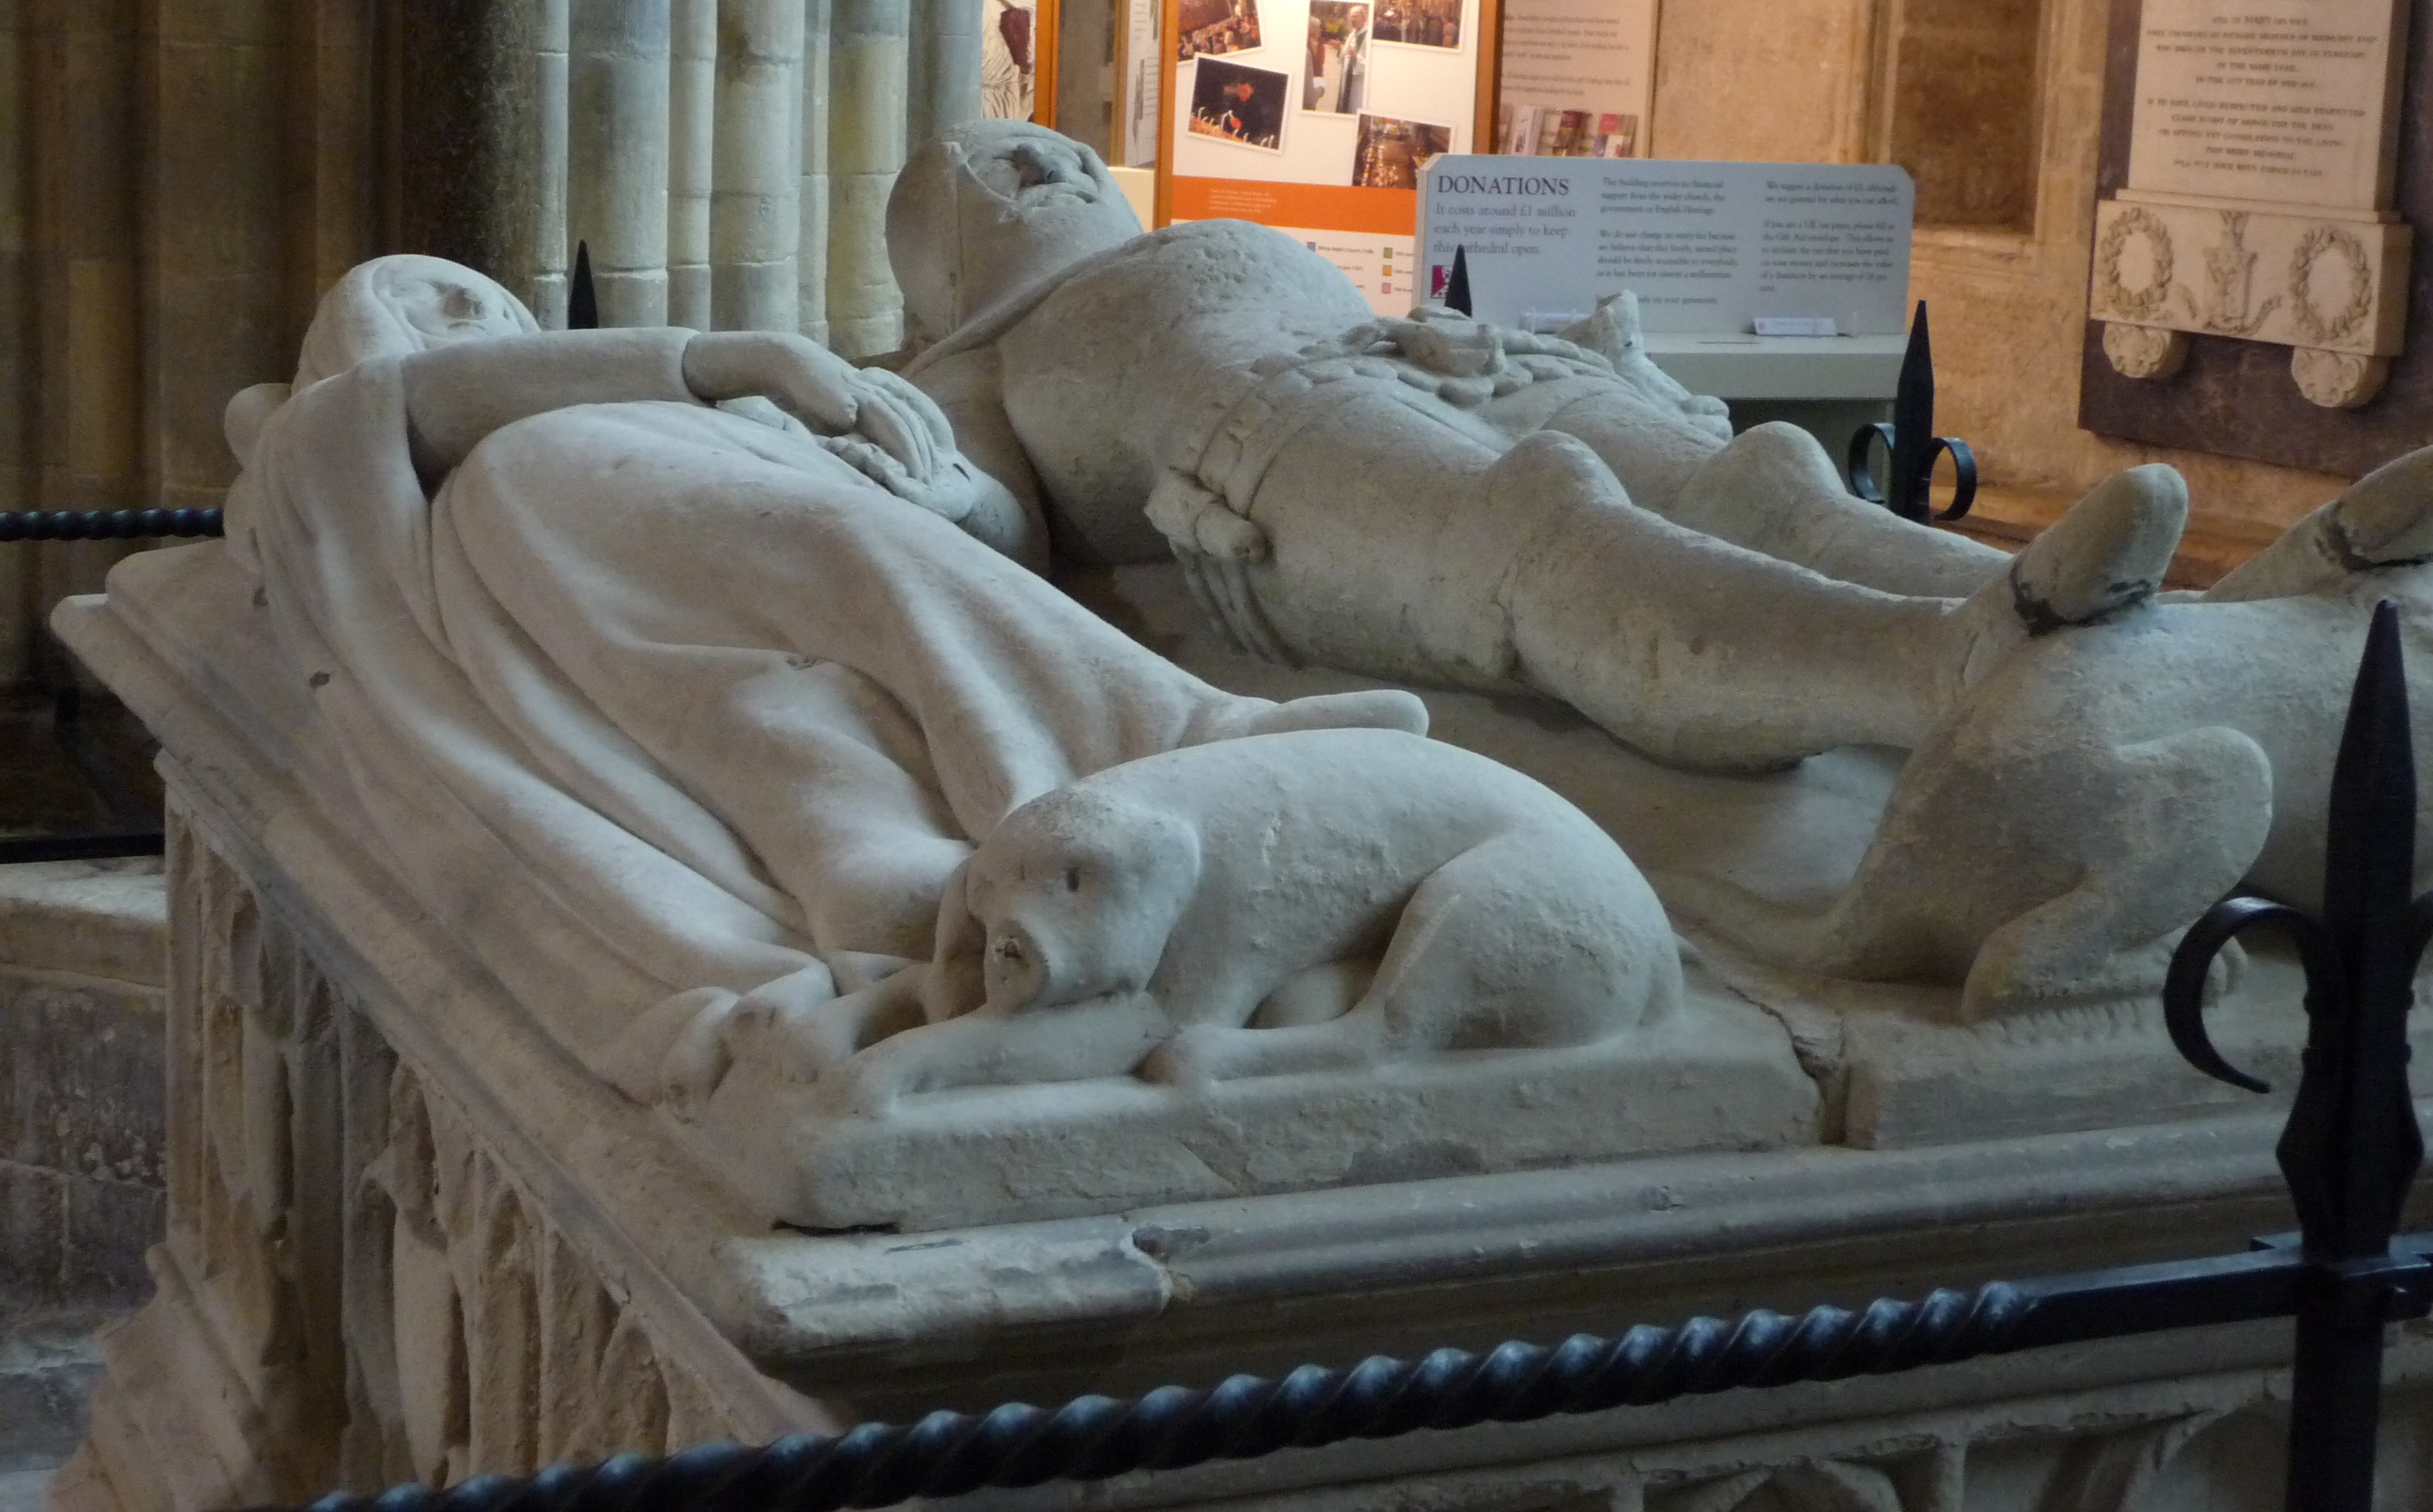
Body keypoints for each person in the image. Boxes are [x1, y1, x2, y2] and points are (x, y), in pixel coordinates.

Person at [223, 253, 1414, 1100]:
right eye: (437, 300)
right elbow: (412, 400)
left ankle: (925, 874)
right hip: (559, 508)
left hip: (654, 587)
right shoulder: (385, 440)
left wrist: (929, 483)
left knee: (794, 684)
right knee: (819, 602)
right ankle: (1169, 740)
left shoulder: (650, 431)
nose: (493, 319)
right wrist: (714, 356)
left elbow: (973, 551)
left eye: (490, 299)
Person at [887, 120, 2180, 773]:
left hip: (1452, 358)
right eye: (999, 174)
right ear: (950, 262)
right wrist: (879, 448)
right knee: (1549, 549)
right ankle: (1931, 676)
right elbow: (987, 523)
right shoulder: (983, 364)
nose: (1044, 161)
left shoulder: (1183, 240)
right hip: (1268, 459)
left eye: (1047, 147)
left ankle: (2100, 622)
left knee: (1757, 479)